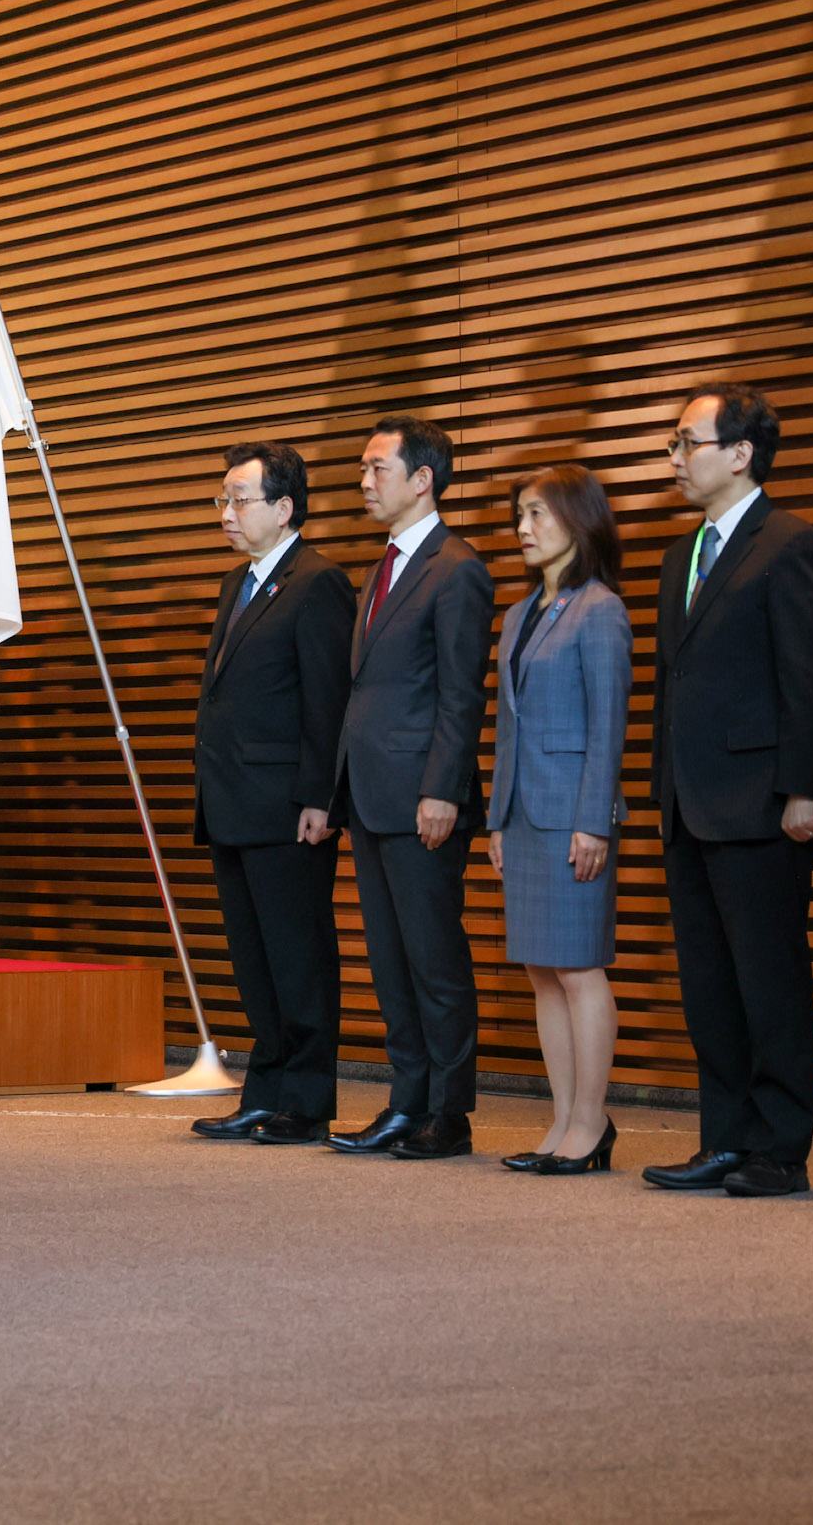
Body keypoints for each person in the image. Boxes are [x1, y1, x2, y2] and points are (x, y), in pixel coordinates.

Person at [642, 385, 813, 1199]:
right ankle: (723, 1137)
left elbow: (810, 678)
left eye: (688, 443)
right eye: (675, 444)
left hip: (761, 800)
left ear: (741, 452)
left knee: (769, 979)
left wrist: (802, 789)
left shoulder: (788, 543)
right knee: (709, 985)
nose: (676, 459)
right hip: (689, 802)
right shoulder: (684, 551)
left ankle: (781, 1148)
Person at [330, 415, 493, 1160]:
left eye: (376, 468)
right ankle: (406, 1101)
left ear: (423, 478)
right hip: (370, 792)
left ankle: (448, 1114)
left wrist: (444, 790)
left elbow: (460, 695)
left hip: (423, 796)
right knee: (390, 961)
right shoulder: (383, 565)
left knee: (433, 959)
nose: (364, 482)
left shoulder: (455, 567)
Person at [186, 442, 355, 1148]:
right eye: (221, 499)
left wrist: (320, 795)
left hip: (288, 804)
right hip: (231, 800)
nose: (226, 513)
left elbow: (328, 700)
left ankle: (307, 1101)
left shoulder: (318, 583)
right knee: (254, 958)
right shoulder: (239, 584)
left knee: (298, 954)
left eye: (239, 499)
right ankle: (265, 1091)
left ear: (285, 508)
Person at [487, 466, 631, 1176]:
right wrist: (494, 818)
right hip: (522, 814)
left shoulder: (599, 609)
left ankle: (591, 1123)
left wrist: (595, 821)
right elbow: (507, 728)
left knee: (579, 969)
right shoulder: (519, 615)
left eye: (537, 514)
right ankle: (563, 1120)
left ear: (578, 522)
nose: (523, 527)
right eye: (520, 514)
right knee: (543, 971)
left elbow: (609, 727)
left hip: (573, 815)